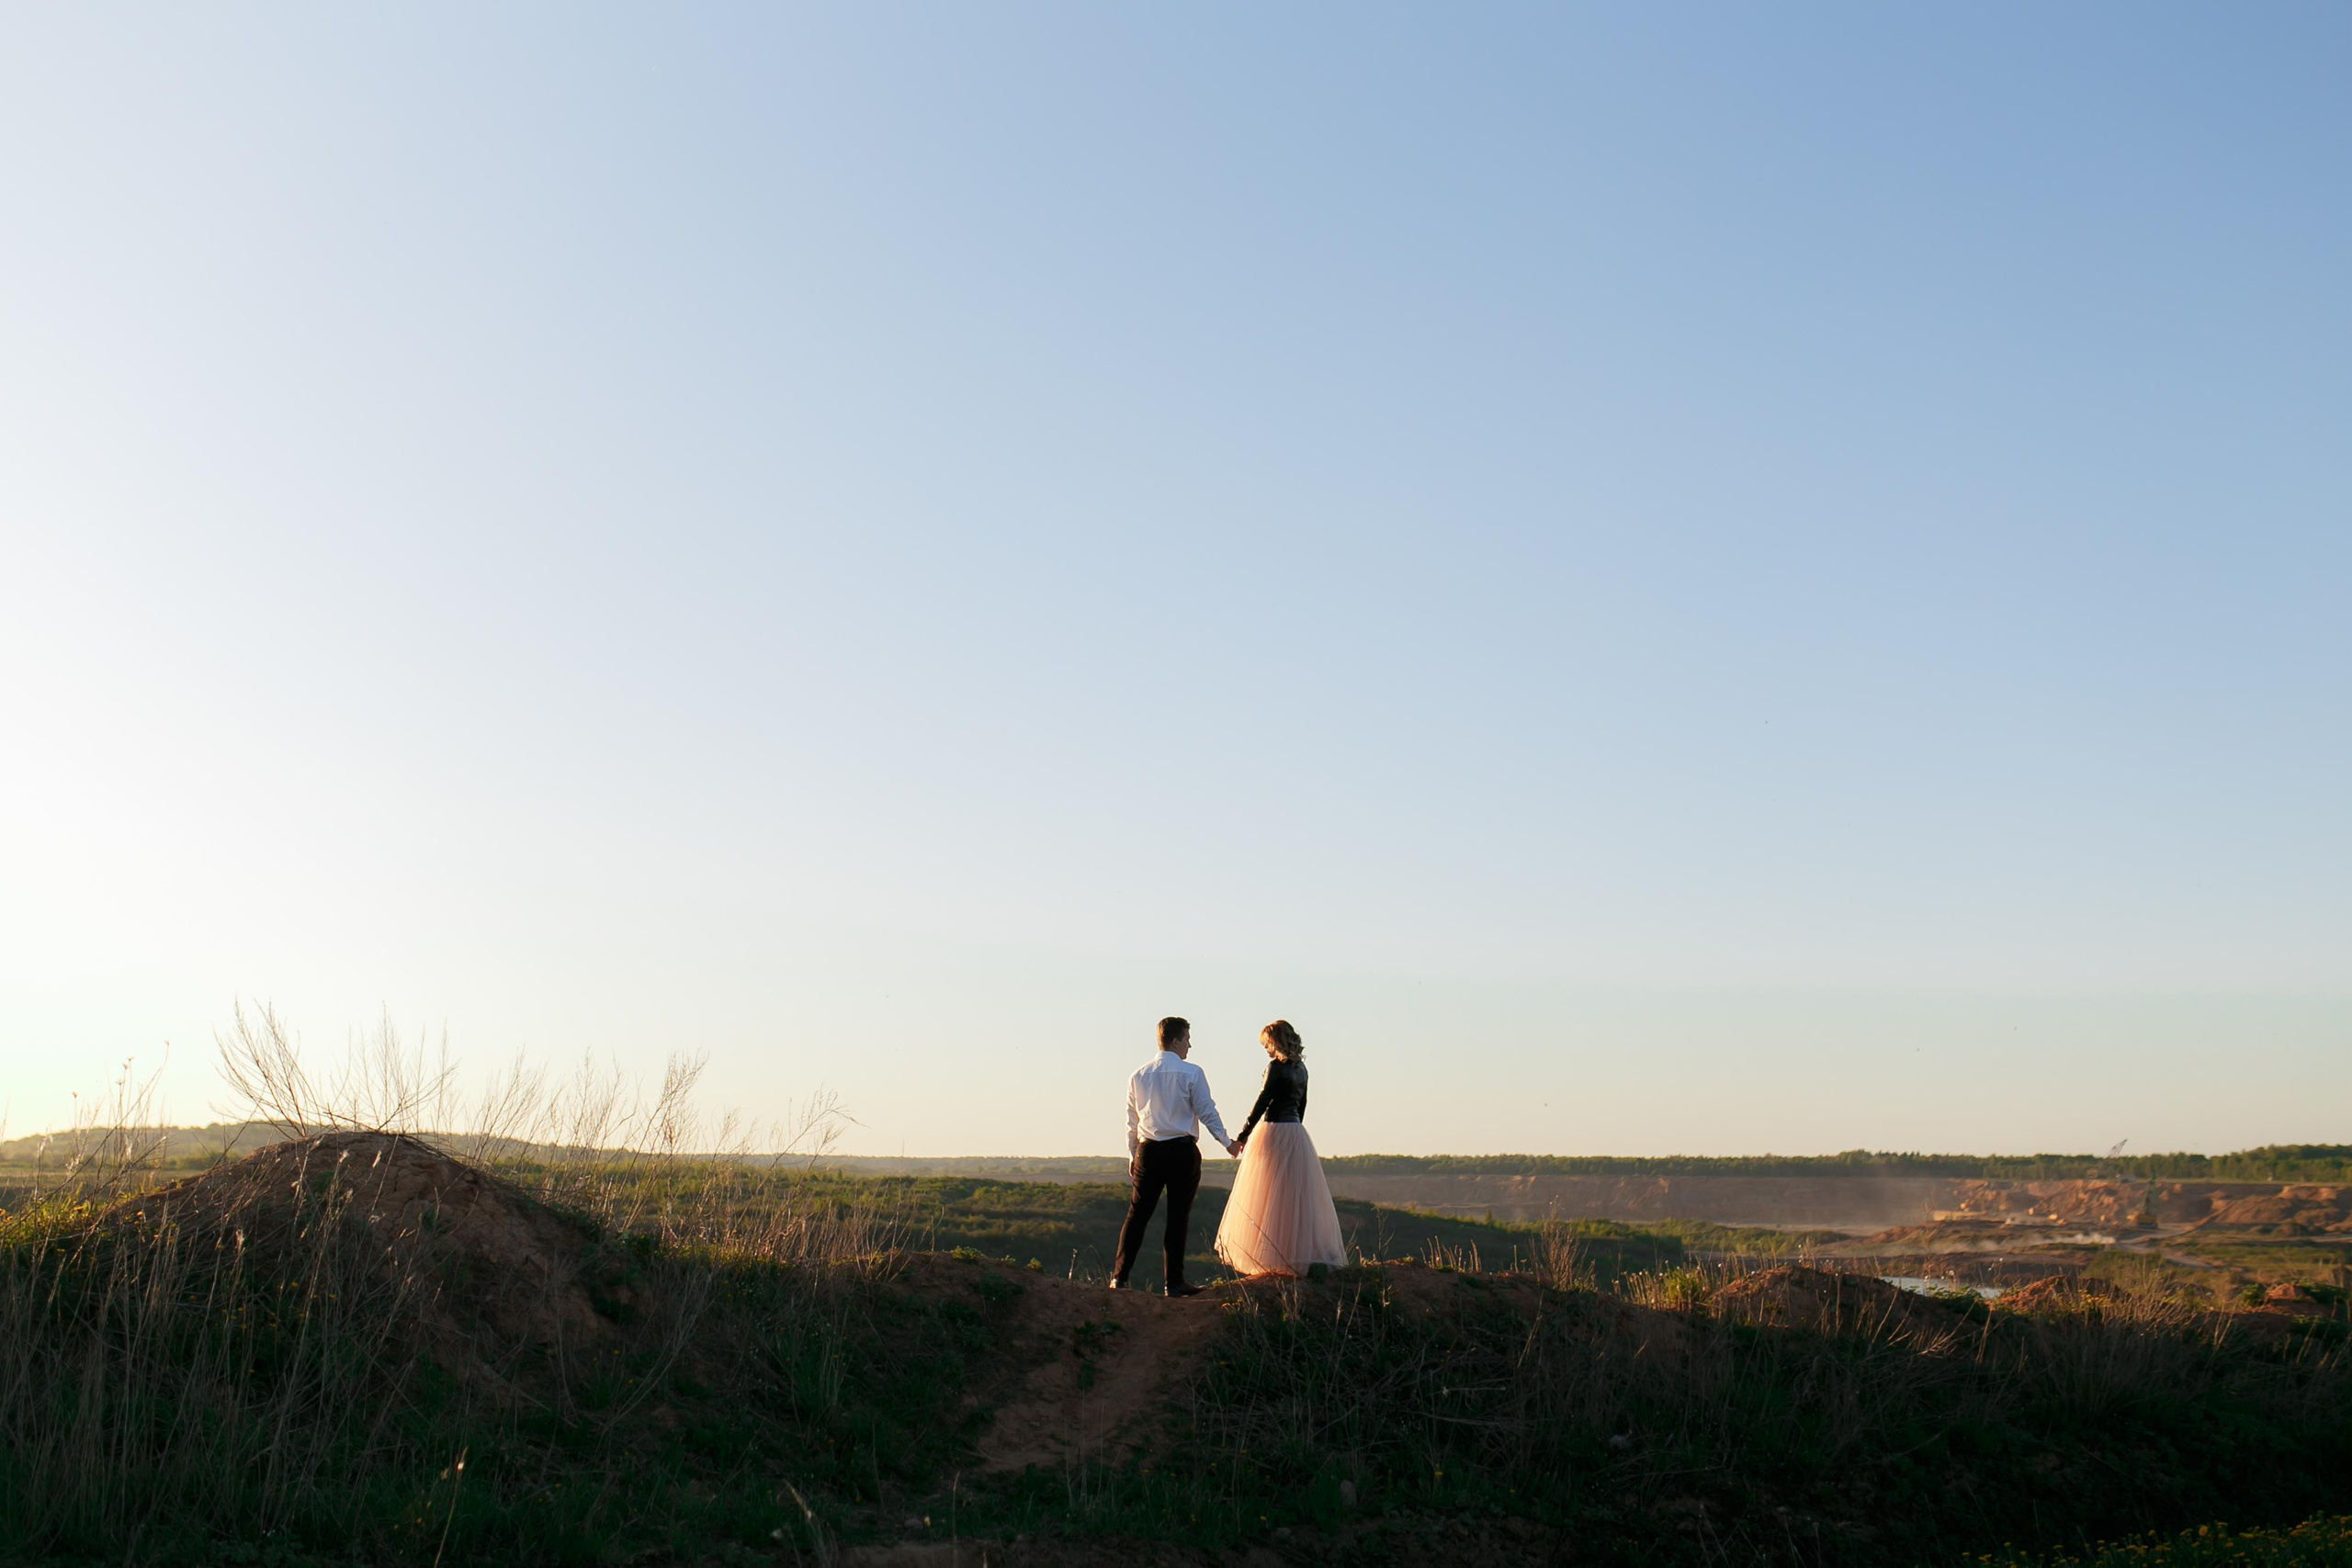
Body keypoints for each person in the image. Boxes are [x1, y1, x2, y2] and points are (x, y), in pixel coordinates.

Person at [1112, 1016, 1237, 1297]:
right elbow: (1206, 1110)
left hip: (1148, 1150)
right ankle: (1174, 1283)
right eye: (1187, 1039)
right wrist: (1226, 1142)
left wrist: (1133, 1154)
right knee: (1178, 1217)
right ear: (1176, 1040)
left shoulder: (1138, 1075)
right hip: (1181, 1150)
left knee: (1137, 1215)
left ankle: (1119, 1278)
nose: (1190, 1046)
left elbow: (1131, 1121)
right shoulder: (1191, 1073)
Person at [1214, 1020, 1346, 1278]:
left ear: (1274, 1042)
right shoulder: (1303, 1069)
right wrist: (1295, 1131)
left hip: (1274, 1130)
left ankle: (1272, 1258)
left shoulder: (1275, 1068)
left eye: (1266, 1043)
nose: (1265, 1049)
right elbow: (1302, 1105)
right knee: (1293, 1196)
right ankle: (1297, 1257)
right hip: (1296, 1132)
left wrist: (1243, 1135)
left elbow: (1262, 1101)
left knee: (1267, 1195)